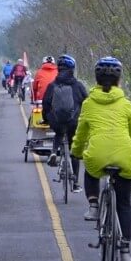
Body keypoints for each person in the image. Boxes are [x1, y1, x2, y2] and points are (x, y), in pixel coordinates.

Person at [71, 57, 131, 261]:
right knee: (124, 204)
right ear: (119, 79)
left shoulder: (88, 103)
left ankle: (93, 205)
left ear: (96, 78)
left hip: (97, 154)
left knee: (91, 171)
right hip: (125, 156)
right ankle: (125, 251)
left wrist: (76, 152)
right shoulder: (126, 104)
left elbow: (81, 133)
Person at [43, 54, 87, 190]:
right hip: (74, 121)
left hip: (57, 121)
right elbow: (87, 103)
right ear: (72, 69)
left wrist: (46, 119)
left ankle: (54, 152)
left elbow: (46, 104)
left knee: (59, 133)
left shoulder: (52, 86)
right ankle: (75, 183)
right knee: (74, 148)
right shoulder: (78, 86)